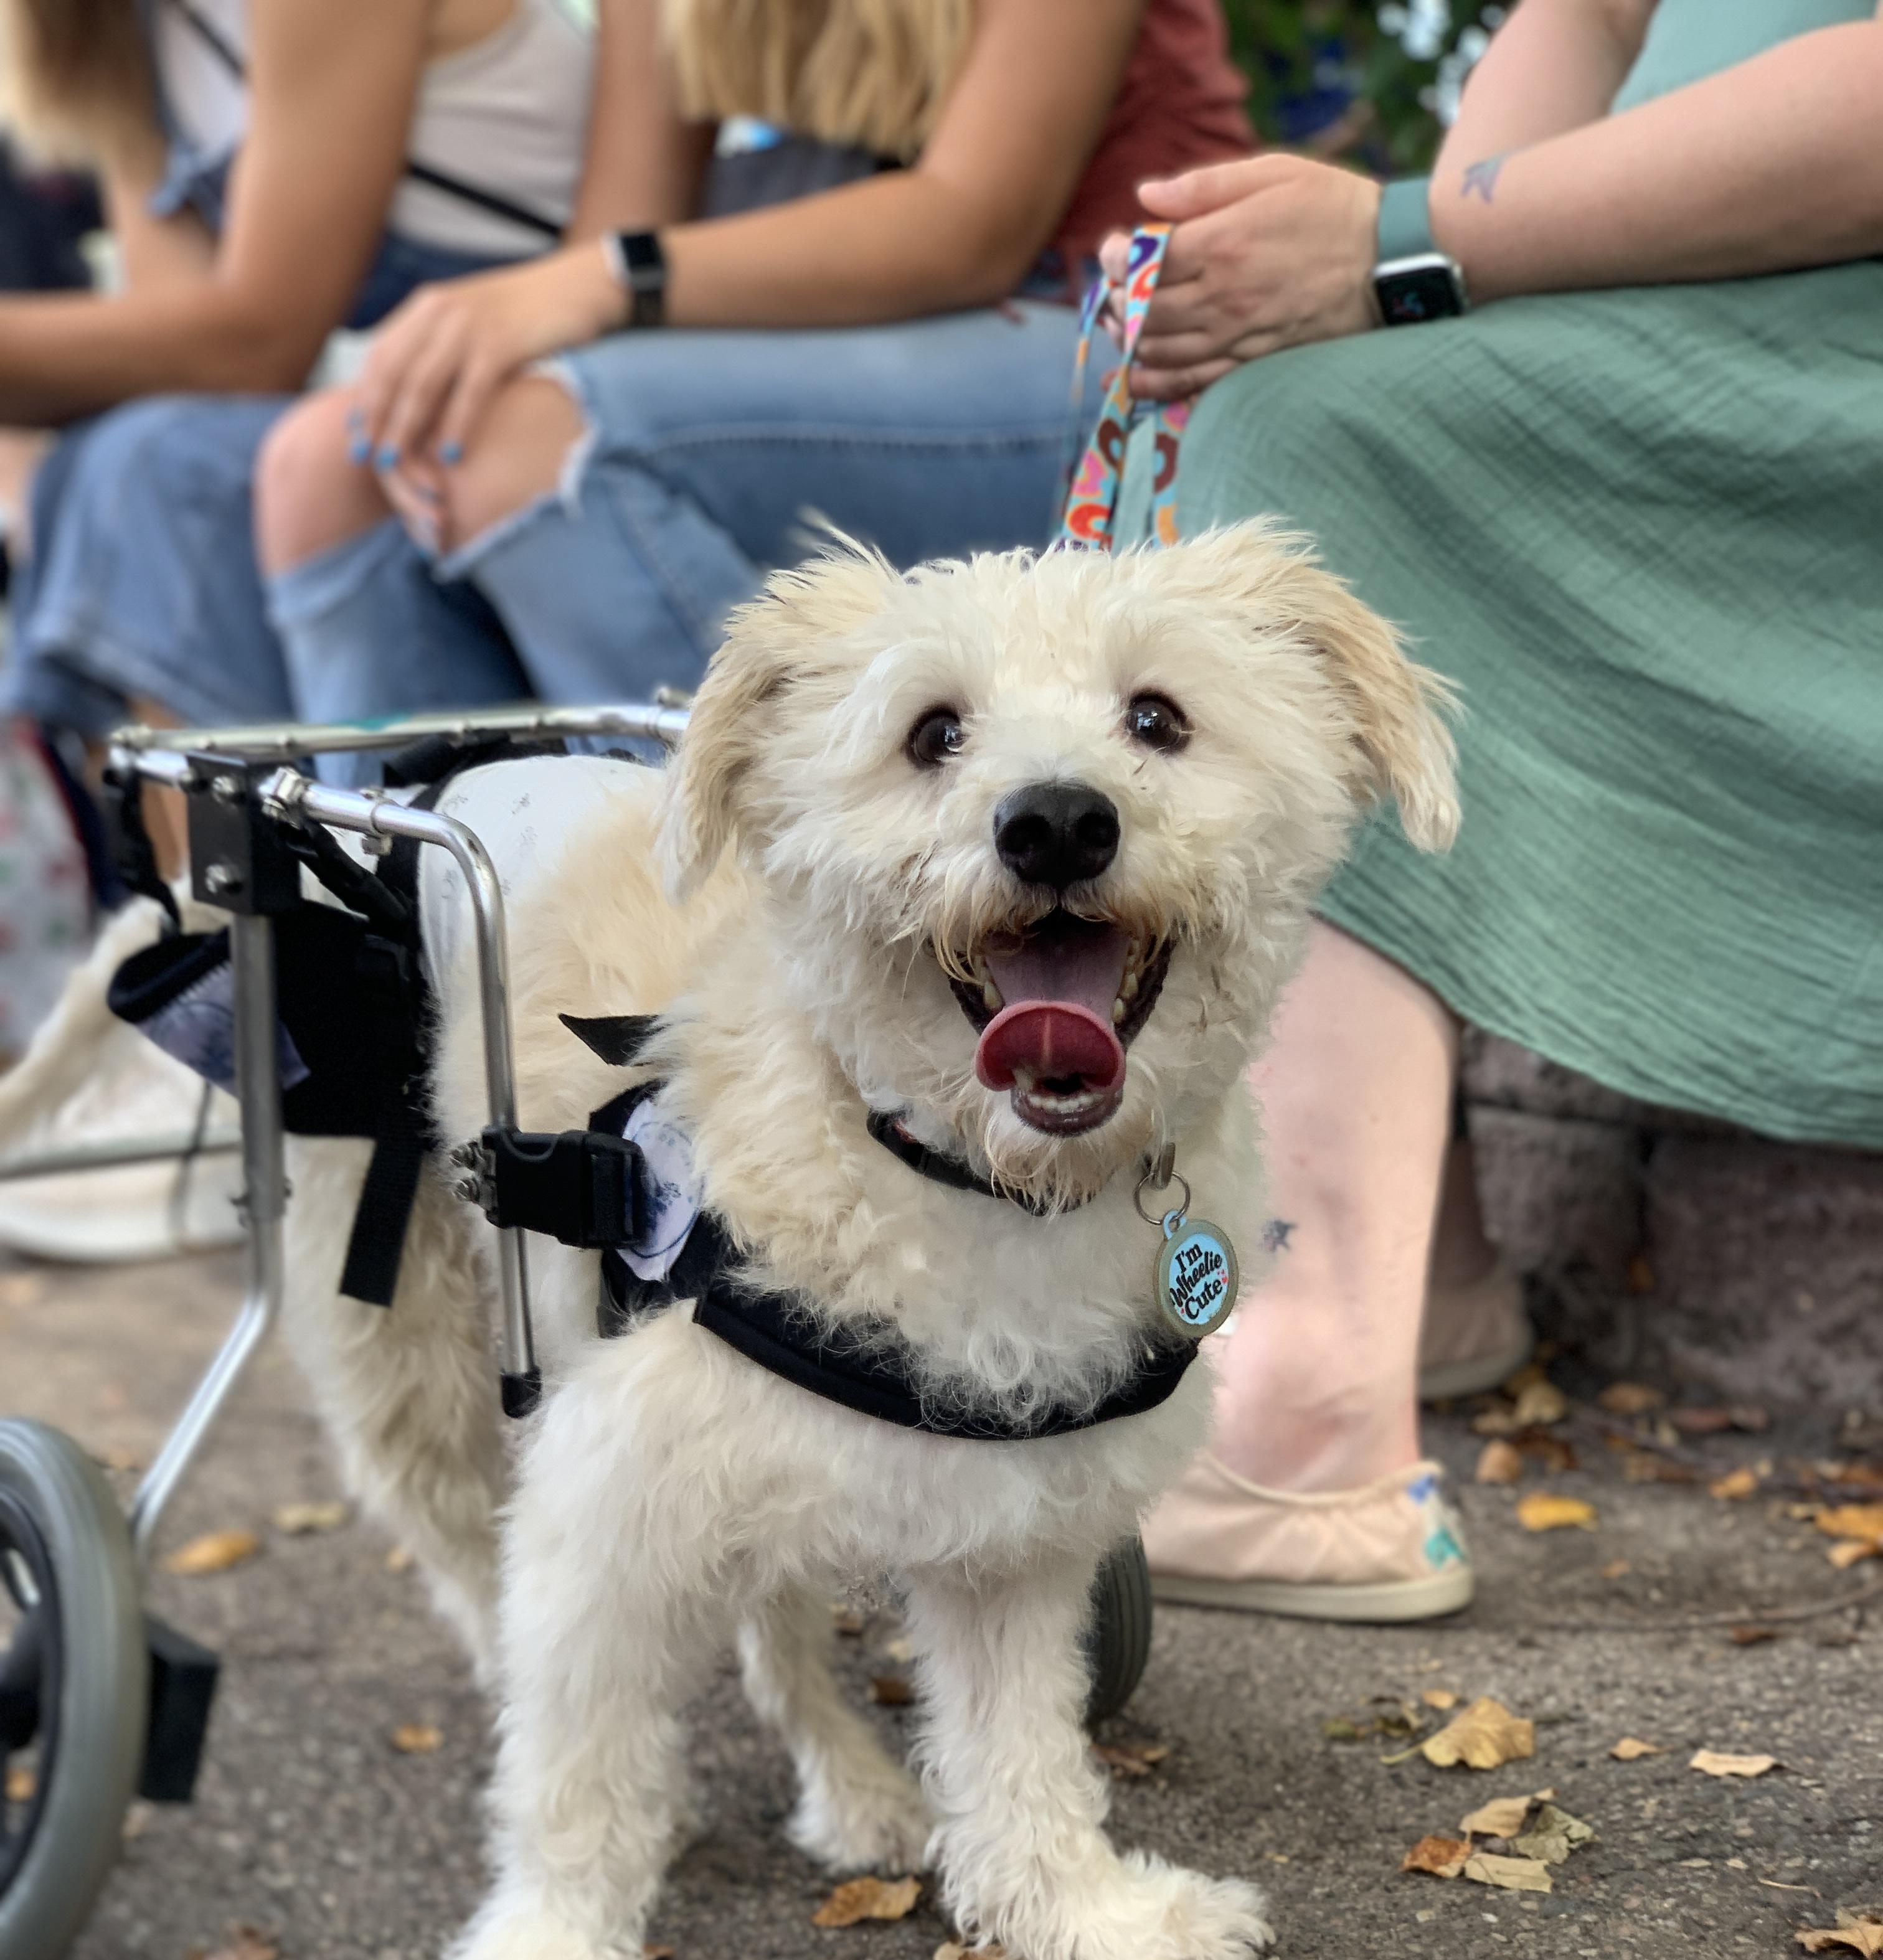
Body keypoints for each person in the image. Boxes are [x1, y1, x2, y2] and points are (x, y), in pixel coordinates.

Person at [1101, 0, 1883, 1621]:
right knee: (1243, 389)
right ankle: (1396, 1264)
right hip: (1713, 323)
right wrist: (1389, 304)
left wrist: (1400, 250)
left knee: (1308, 438)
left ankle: (1303, 1404)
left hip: (1825, 369)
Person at [252, 0, 1253, 730]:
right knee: (329, 465)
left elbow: (971, 225)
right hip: (866, 346)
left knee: (540, 446)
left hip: (1118, 332)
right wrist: (506, 328)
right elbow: (620, 230)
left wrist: (607, 279)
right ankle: (422, 966)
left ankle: (767, 929)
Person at [0, 0, 603, 751]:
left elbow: (260, 338)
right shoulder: (126, 36)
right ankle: (198, 861)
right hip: (404, 399)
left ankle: (295, 841)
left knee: (148, 472)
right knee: (97, 469)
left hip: (547, 373)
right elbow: (179, 354)